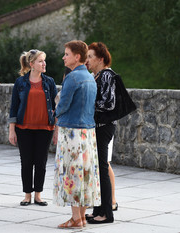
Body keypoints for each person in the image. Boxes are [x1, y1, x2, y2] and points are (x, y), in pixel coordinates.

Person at [53, 40, 100, 229]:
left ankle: (75, 218)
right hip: (87, 132)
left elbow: (62, 105)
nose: (64, 57)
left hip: (71, 132)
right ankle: (80, 218)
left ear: (77, 56)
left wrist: (54, 114)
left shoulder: (72, 78)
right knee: (84, 174)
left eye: (66, 54)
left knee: (72, 174)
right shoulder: (90, 77)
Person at [9, 49, 57, 207]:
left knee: (41, 162)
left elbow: (57, 108)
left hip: (45, 129)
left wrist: (56, 130)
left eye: (44, 61)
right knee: (27, 162)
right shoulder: (20, 82)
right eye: (40, 61)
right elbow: (14, 108)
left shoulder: (49, 82)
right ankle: (27, 195)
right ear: (31, 64)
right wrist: (12, 130)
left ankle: (38, 195)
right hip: (24, 128)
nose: (44, 64)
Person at [85, 42, 116, 224]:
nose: (87, 60)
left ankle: (106, 214)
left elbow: (108, 103)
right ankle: (98, 210)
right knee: (97, 170)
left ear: (101, 59)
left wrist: (87, 106)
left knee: (102, 169)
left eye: (90, 56)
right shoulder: (96, 76)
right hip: (97, 126)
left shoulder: (106, 75)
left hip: (104, 127)